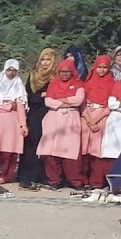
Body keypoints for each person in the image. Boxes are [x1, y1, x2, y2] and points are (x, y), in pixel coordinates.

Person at [37, 59, 86, 189]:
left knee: (71, 151)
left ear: (72, 72)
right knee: (51, 151)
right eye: (62, 72)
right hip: (54, 119)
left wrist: (59, 101)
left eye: (67, 72)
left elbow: (78, 100)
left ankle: (75, 181)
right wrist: (66, 102)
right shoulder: (54, 84)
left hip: (71, 118)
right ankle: (54, 180)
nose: (64, 74)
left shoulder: (78, 84)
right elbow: (48, 101)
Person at [0, 60, 28, 185]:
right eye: (9, 70)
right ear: (4, 70)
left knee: (10, 150)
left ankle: (6, 175)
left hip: (13, 122)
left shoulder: (18, 86)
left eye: (14, 70)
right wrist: (8, 106)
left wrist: (23, 125)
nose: (11, 73)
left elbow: (20, 107)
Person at [18, 48, 58, 188]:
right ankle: (27, 176)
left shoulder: (57, 76)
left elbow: (57, 95)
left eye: (48, 60)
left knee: (47, 145)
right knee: (32, 145)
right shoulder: (33, 76)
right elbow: (29, 97)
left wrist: (46, 97)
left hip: (50, 113)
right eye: (43, 59)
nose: (45, 63)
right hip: (35, 114)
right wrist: (43, 95)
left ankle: (44, 176)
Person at [82, 56, 116, 188]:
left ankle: (96, 181)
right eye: (99, 67)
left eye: (104, 68)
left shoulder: (112, 84)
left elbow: (109, 106)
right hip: (86, 116)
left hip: (102, 117)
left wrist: (95, 120)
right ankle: (83, 180)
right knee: (84, 150)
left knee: (97, 150)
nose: (101, 70)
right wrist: (88, 119)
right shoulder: (88, 83)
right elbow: (82, 103)